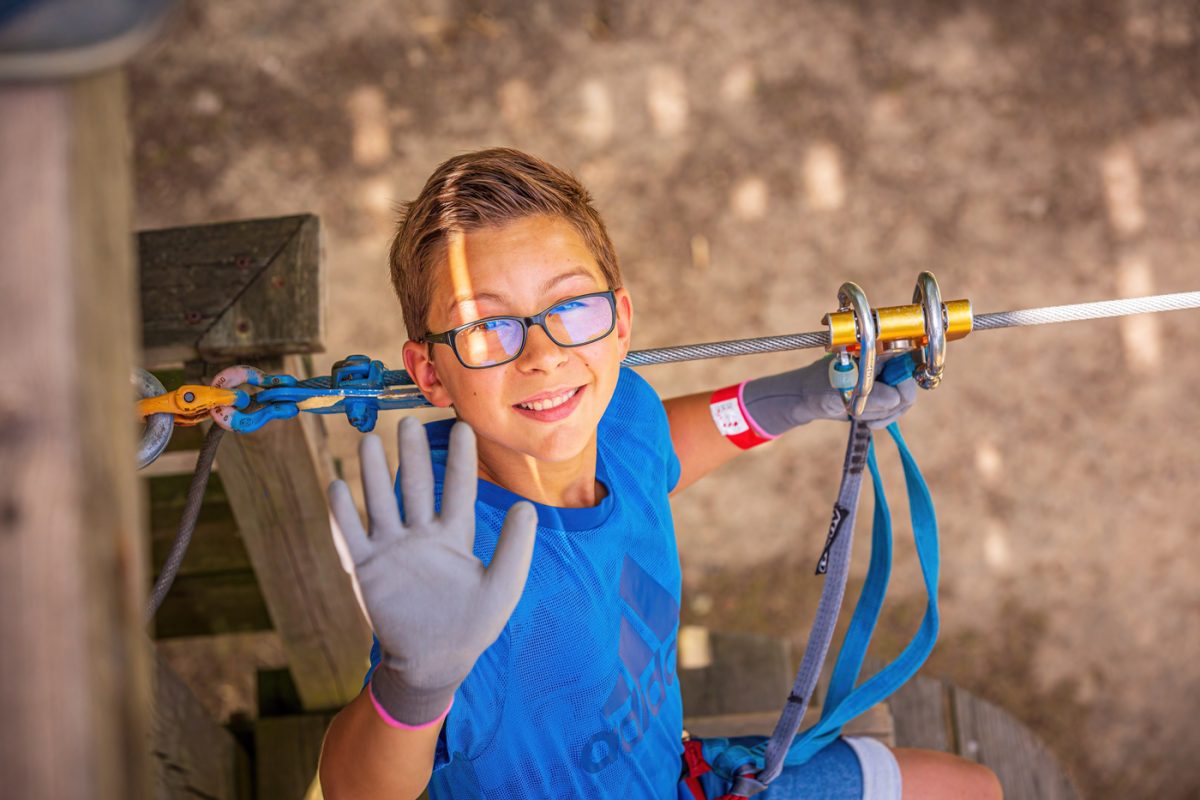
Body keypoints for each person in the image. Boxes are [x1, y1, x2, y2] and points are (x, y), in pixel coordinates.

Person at [317, 148, 1002, 799]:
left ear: (620, 323)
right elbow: (356, 789)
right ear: (430, 373)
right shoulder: (455, 568)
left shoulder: (614, 418)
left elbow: (656, 451)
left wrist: (794, 397)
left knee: (974, 789)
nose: (544, 355)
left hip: (675, 777)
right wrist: (413, 688)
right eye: (485, 328)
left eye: (571, 308)